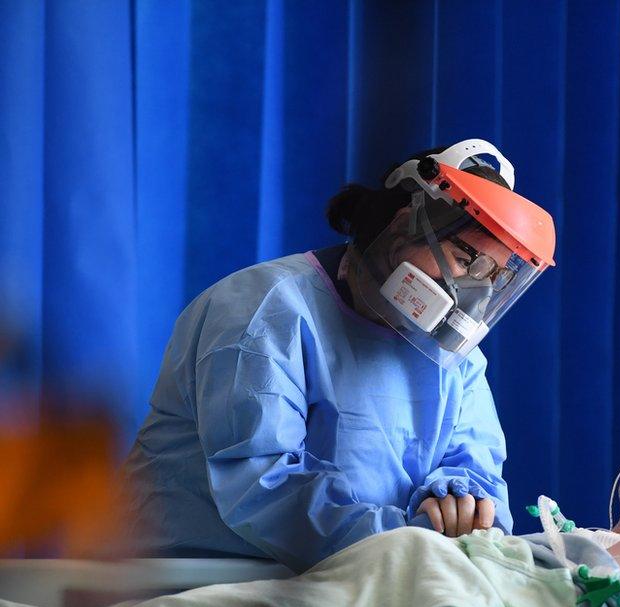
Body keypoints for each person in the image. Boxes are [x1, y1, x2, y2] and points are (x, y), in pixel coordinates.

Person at [121, 139, 557, 572]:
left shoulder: (454, 357)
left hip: (363, 577)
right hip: (198, 579)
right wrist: (408, 540)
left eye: (493, 277)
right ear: (405, 224)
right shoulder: (265, 309)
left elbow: (478, 475)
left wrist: (458, 502)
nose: (473, 295)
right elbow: (262, 486)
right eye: (467, 260)